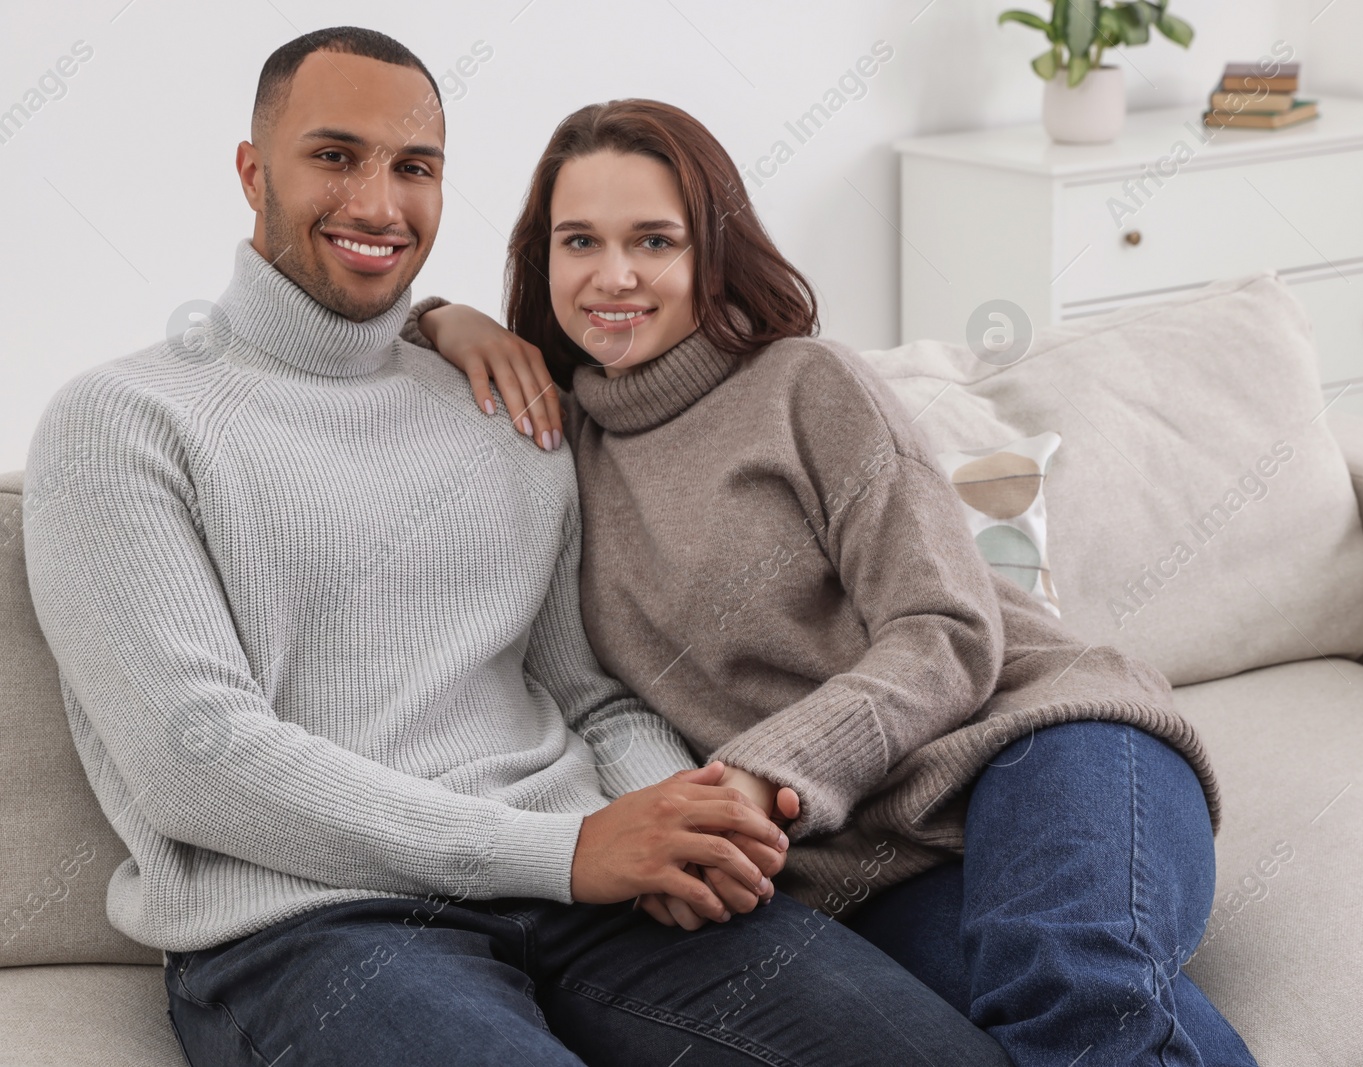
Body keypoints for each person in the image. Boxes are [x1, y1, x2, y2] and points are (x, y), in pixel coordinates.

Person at [21, 27, 1012, 1067]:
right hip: (312, 926)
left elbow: (588, 693)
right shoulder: (120, 421)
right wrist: (570, 848)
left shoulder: (505, 402)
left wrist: (681, 819)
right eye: (334, 156)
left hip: (588, 891)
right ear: (251, 169)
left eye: (415, 168)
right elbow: (200, 756)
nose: (377, 203)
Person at [406, 98, 1261, 1066]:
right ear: (540, 258)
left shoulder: (803, 383)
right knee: (1038, 1031)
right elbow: (328, 327)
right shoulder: (552, 449)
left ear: (712, 250)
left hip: (1042, 742)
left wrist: (769, 767)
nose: (613, 275)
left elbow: (946, 625)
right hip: (865, 867)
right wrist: (442, 316)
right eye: (578, 241)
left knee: (1071, 978)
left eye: (654, 239)